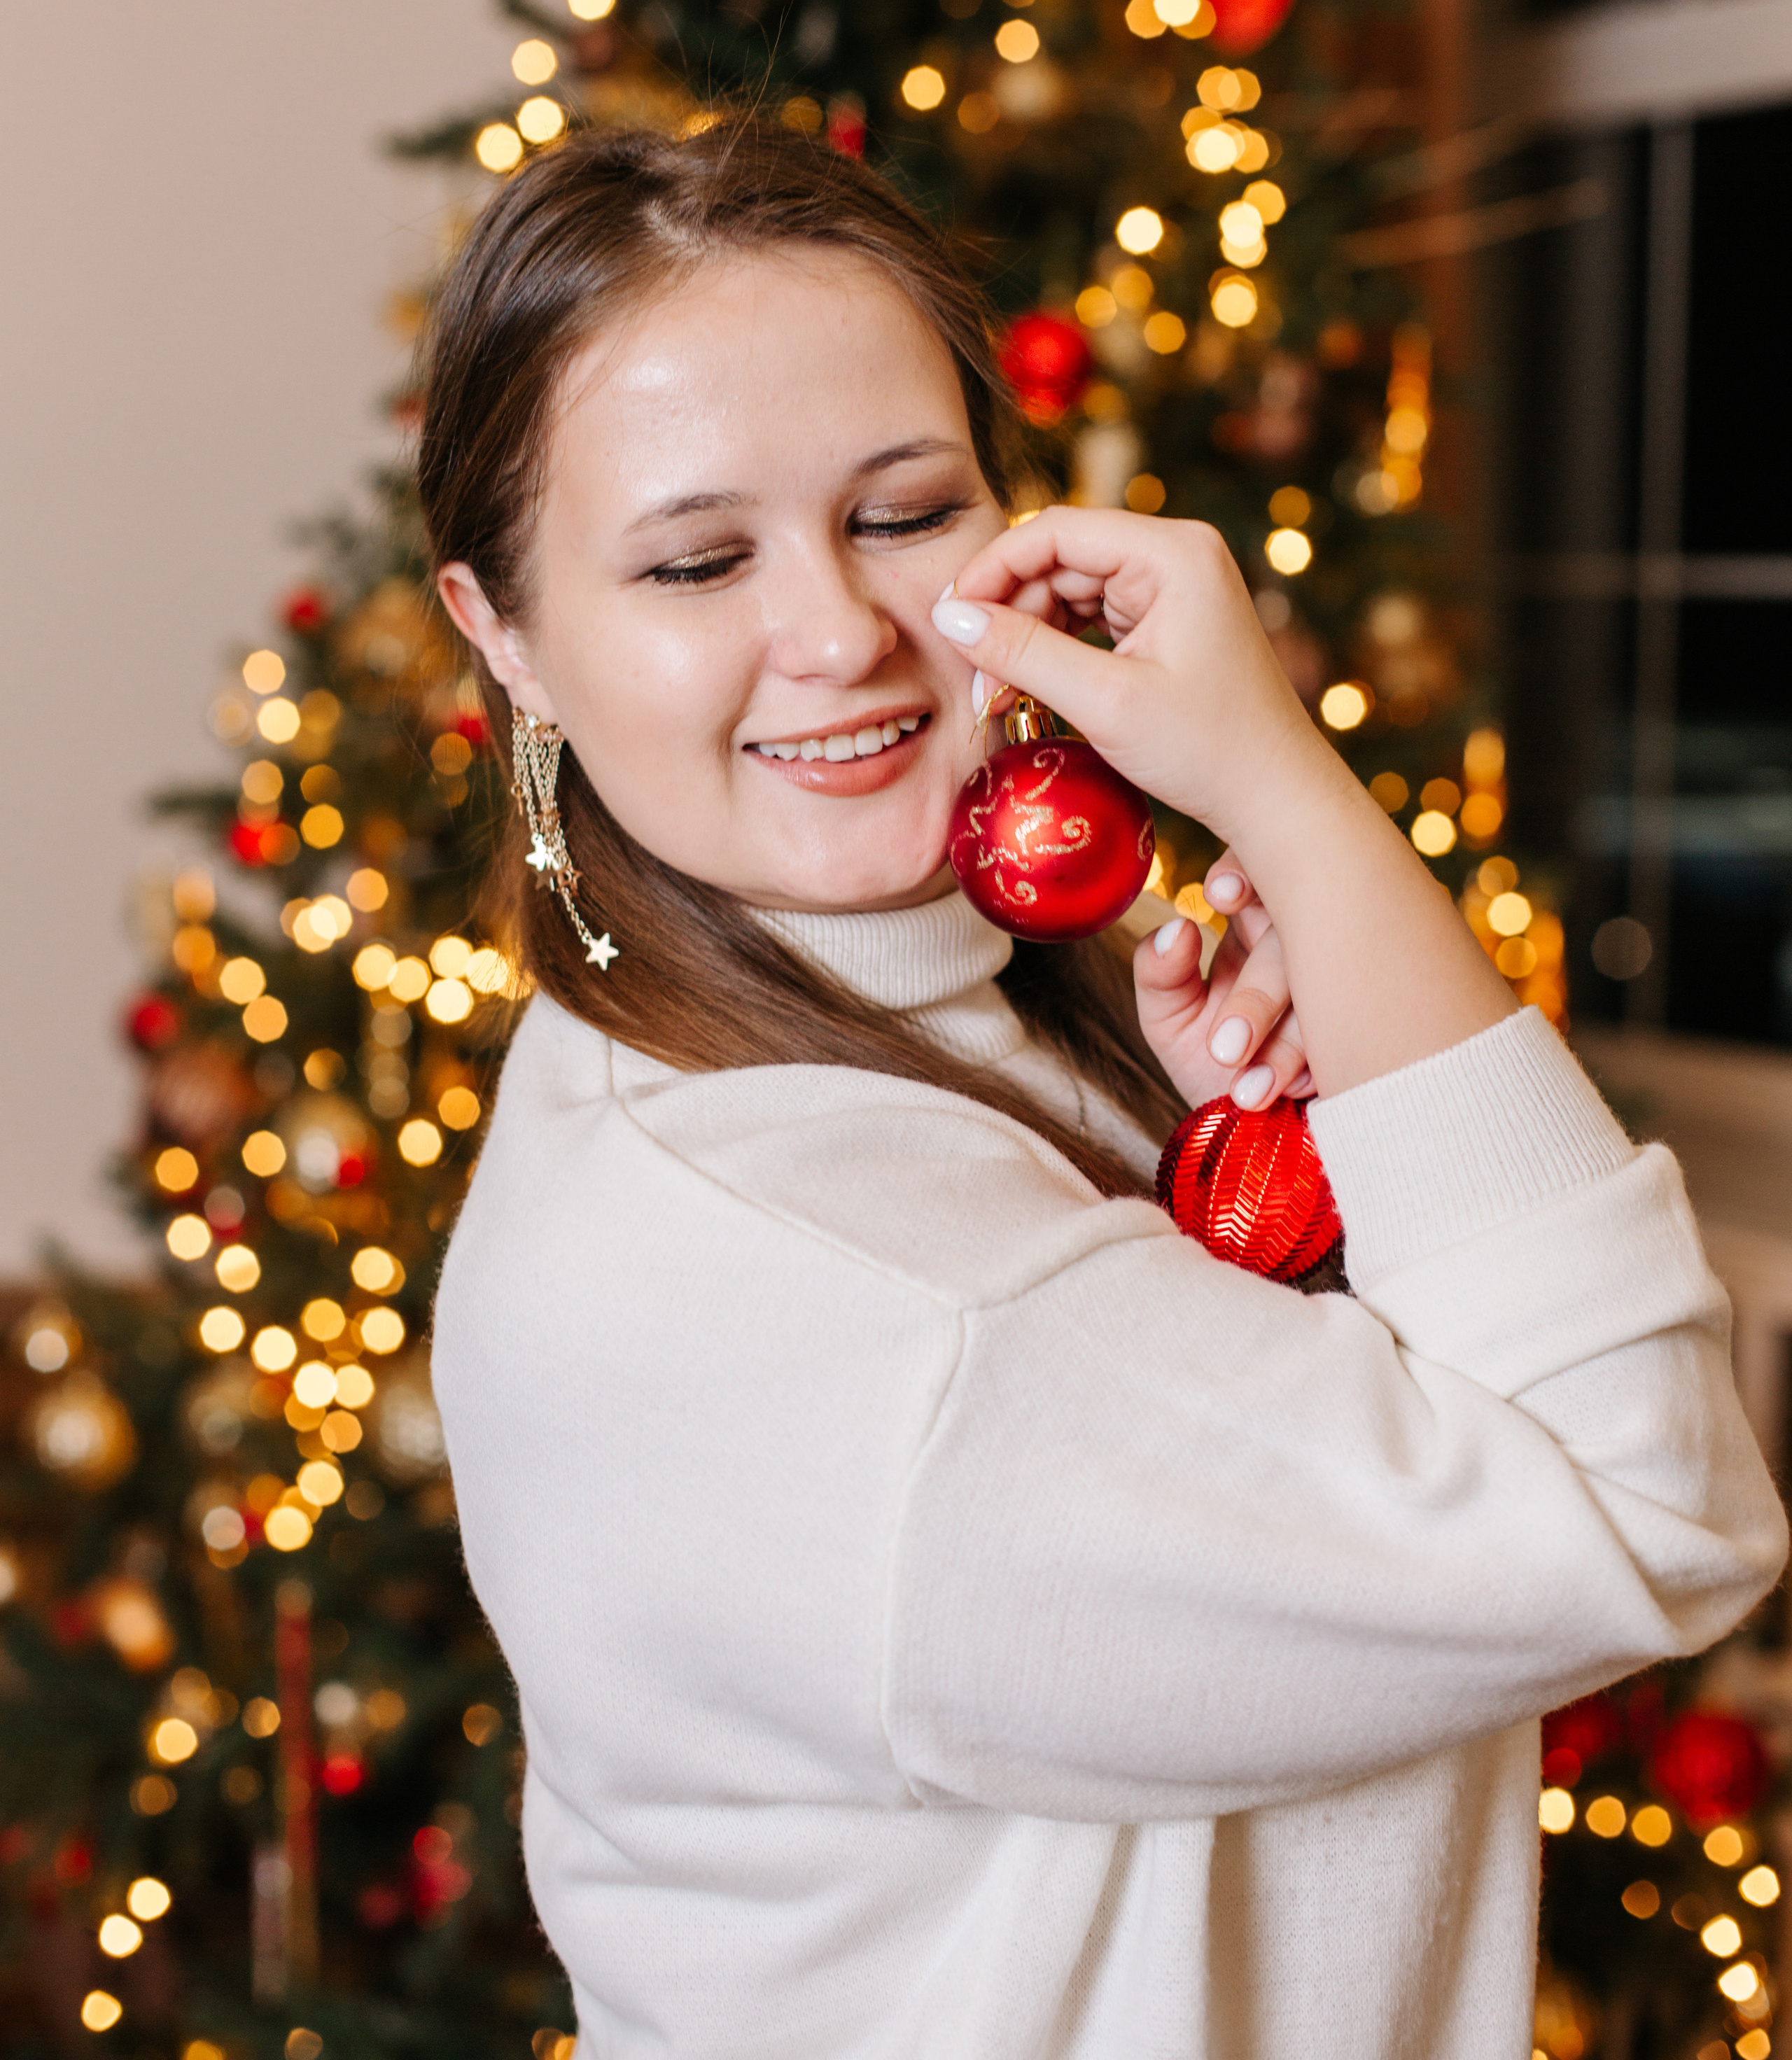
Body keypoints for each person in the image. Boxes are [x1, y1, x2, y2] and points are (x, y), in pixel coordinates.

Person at [423, 121, 1784, 2060]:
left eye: (902, 513)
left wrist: (1289, 1192)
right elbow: (1654, 1502)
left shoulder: (918, 1029)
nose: (837, 632)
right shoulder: (841, 1300)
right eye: (699, 557)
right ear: (505, 635)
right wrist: (1291, 790)